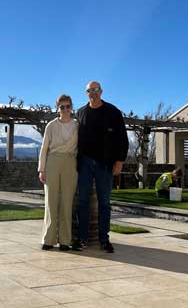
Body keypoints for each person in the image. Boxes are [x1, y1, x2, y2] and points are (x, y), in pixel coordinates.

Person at [74, 81, 128, 253]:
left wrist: (119, 161)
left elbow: (122, 139)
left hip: (105, 164)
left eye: (96, 90)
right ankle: (82, 239)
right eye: (90, 90)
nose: (93, 93)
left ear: (101, 91)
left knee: (104, 203)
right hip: (85, 164)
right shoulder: (80, 113)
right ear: (86, 93)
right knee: (83, 202)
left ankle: (104, 239)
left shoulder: (113, 112)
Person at [38, 94, 78, 251]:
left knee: (67, 202)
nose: (65, 109)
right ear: (57, 108)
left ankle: (65, 241)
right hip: (52, 162)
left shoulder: (77, 125)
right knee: (51, 201)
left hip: (70, 162)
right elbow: (44, 148)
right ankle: (48, 239)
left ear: (71, 107)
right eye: (62, 107)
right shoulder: (51, 126)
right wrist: (41, 169)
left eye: (68, 106)